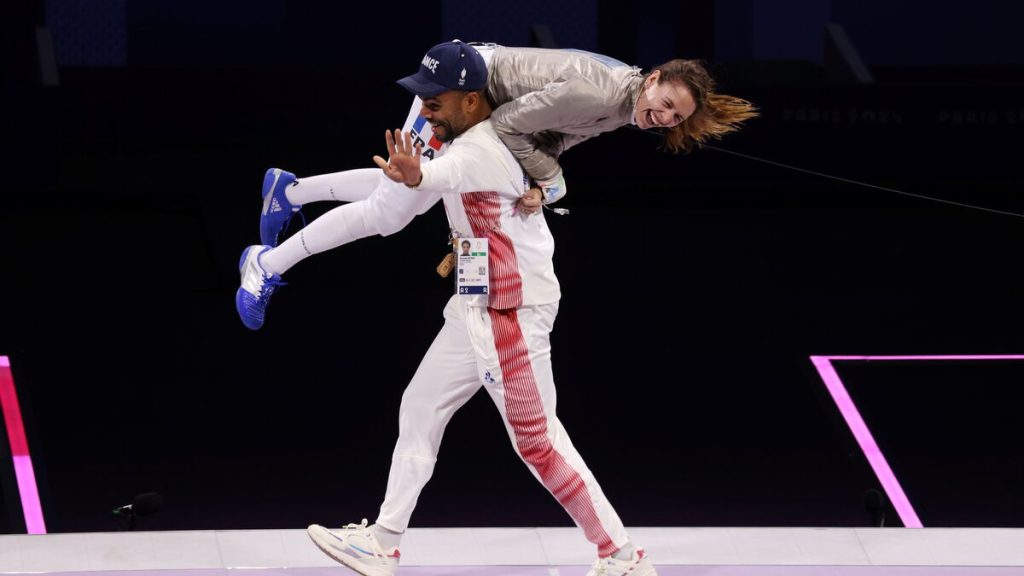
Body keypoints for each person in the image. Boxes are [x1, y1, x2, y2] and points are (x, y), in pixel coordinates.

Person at [243, 43, 660, 576]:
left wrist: (414, 176)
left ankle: (620, 557)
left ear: (470, 101)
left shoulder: (477, 148)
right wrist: (417, 177)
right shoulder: (475, 137)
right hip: (476, 304)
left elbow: (434, 179)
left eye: (434, 102)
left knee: (537, 441)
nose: (425, 111)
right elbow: (420, 184)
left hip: (509, 311)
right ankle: (382, 542)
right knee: (419, 408)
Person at [236, 40, 757, 330]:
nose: (665, 117)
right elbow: (507, 125)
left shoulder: (624, 105)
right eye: (665, 103)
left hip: (479, 96)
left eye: (675, 116)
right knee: (392, 212)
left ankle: (290, 191)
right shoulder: (602, 94)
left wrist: (542, 178)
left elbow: (556, 137)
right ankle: (264, 263)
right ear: (653, 79)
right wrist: (551, 183)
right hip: (459, 89)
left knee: (407, 195)